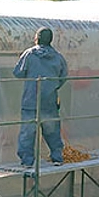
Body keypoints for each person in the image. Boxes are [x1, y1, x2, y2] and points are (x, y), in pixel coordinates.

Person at [13, 26, 68, 166]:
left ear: (36, 38)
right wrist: (51, 87)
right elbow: (63, 77)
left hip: (30, 101)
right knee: (52, 132)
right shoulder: (58, 57)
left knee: (27, 133)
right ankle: (57, 158)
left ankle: (27, 161)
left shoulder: (29, 54)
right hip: (50, 102)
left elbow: (18, 73)